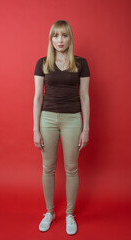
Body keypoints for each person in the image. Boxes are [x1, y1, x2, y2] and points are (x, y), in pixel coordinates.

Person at [33, 20, 90, 235]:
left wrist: (86, 128)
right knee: (47, 168)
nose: (60, 40)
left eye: (64, 35)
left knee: (71, 168)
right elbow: (38, 97)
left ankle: (69, 214)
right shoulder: (42, 63)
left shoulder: (81, 63)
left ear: (70, 38)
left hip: (73, 119)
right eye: (55, 36)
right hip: (47, 119)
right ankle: (49, 212)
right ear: (51, 39)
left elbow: (84, 97)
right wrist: (35, 129)